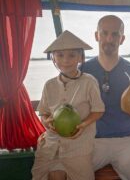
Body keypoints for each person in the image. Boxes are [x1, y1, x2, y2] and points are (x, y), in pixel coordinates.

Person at [81, 15, 130, 180]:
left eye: (115, 34)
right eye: (105, 33)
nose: (109, 39)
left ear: (122, 39)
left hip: (128, 139)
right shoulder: (82, 71)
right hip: (91, 142)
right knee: (62, 173)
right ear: (97, 35)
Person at [31, 30, 105, 180]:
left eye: (72, 55)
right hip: (50, 145)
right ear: (53, 58)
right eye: (60, 55)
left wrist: (83, 125)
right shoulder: (49, 85)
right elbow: (43, 112)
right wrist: (47, 122)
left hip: (79, 147)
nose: (66, 60)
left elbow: (99, 110)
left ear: (80, 57)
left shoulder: (89, 81)